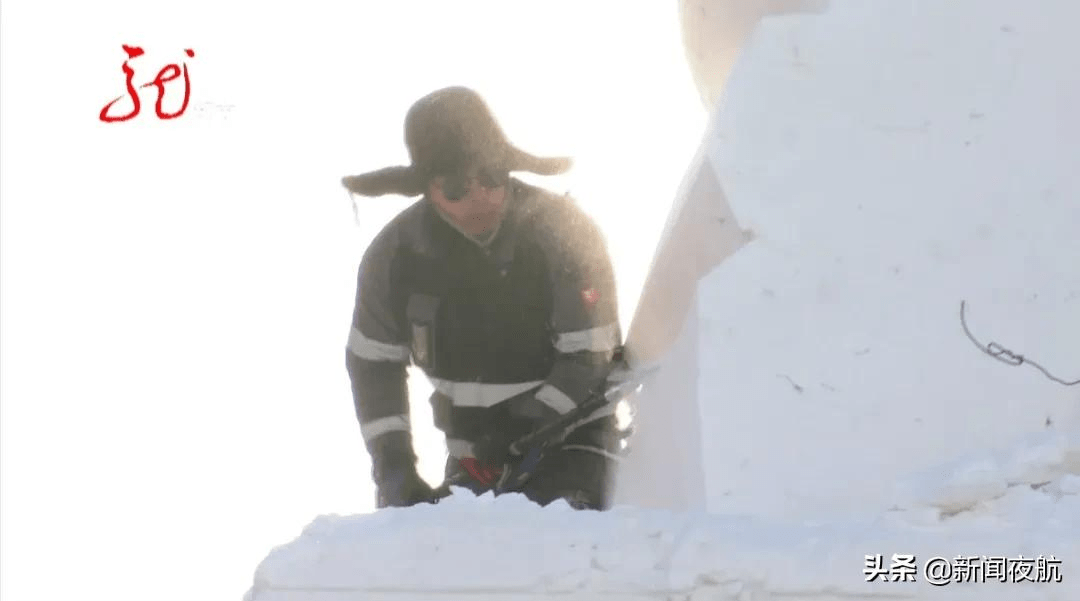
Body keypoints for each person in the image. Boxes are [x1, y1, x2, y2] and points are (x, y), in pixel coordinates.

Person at [341, 86, 625, 511]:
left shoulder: (565, 234)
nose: (480, 198)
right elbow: (373, 365)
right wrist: (394, 467)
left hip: (572, 446)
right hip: (473, 462)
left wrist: (521, 431)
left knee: (546, 542)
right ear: (428, 190)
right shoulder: (393, 258)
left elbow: (590, 357)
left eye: (492, 177)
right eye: (456, 187)